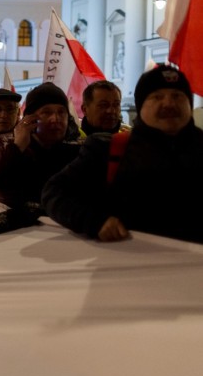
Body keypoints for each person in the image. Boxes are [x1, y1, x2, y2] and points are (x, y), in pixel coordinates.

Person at [44, 64, 203, 243]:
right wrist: (94, 222)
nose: (169, 103)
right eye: (157, 97)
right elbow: (54, 193)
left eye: (177, 96)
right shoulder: (107, 149)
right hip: (128, 260)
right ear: (141, 107)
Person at [0, 82, 79, 209]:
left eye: (61, 112)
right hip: (15, 226)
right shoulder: (5, 142)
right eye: (46, 112)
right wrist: (15, 147)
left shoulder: (77, 148)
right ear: (30, 119)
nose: (55, 119)